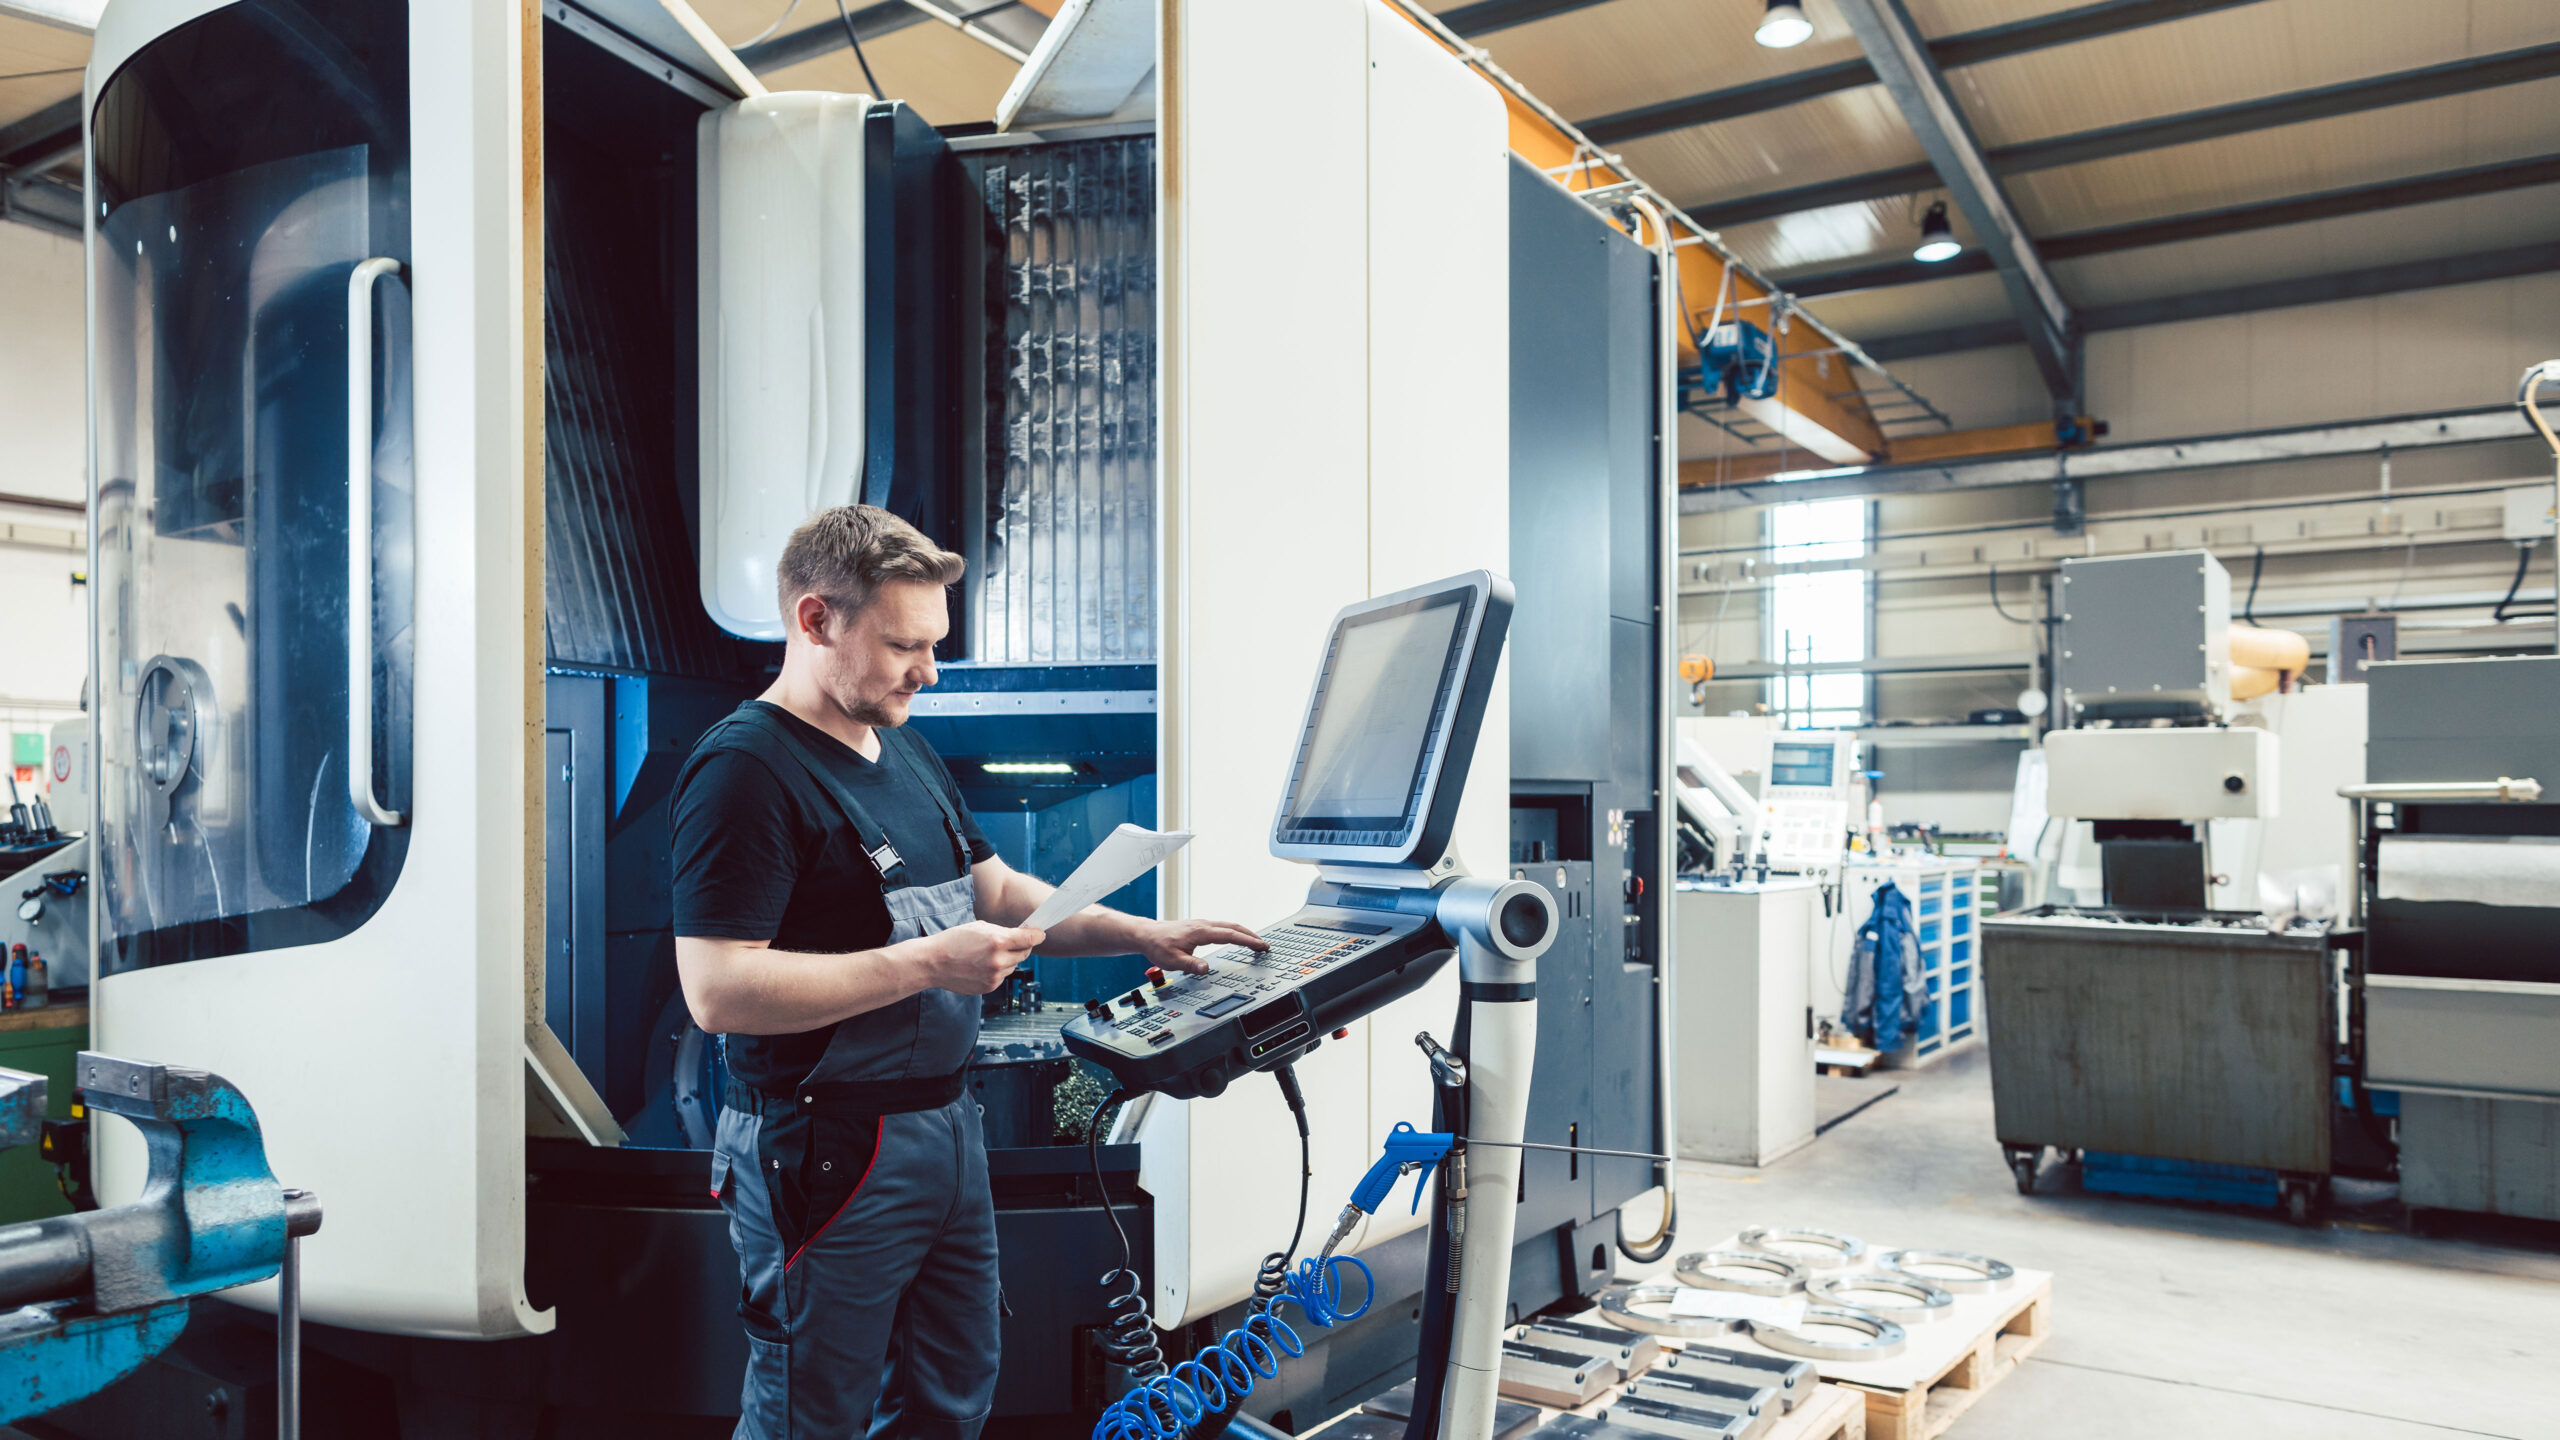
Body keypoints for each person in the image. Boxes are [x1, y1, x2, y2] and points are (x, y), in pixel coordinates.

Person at [671, 506, 1265, 1439]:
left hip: (946, 1131)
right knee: (808, 1414)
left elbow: (997, 891)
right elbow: (718, 989)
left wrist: (1142, 934)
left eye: (935, 643)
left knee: (951, 1394)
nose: (930, 671)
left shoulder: (902, 745)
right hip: (826, 1146)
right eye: (905, 644)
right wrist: (922, 966)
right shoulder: (746, 770)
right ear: (816, 620)